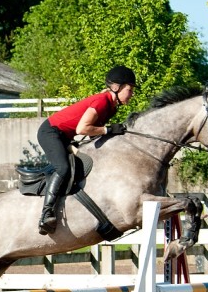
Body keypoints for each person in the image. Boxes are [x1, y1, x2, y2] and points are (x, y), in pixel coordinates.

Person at [35, 65, 136, 234]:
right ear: (117, 88)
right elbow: (83, 129)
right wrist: (108, 130)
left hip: (65, 137)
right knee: (63, 168)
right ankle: (46, 214)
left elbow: (92, 134)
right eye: (130, 89)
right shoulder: (102, 101)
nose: (132, 94)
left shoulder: (111, 106)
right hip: (50, 132)